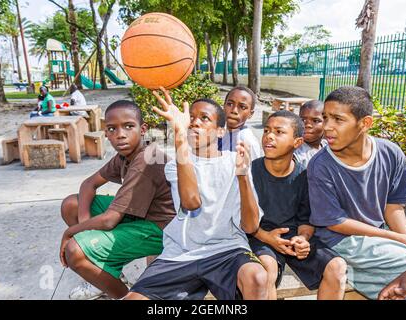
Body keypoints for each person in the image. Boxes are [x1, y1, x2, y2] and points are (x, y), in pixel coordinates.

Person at [124, 88, 268, 300]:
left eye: (204, 118)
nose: (194, 123)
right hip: (181, 253)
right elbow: (191, 202)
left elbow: (250, 226)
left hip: (227, 250)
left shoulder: (234, 162)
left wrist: (243, 176)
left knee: (257, 276)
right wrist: (180, 138)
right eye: (190, 118)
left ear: (220, 131)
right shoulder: (177, 166)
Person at [308, 86, 406, 300]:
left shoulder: (391, 153)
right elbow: (334, 222)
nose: (327, 127)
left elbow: (394, 207)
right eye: (325, 118)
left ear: (365, 123)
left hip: (382, 229)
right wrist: (396, 238)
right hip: (343, 240)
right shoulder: (321, 165)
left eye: (338, 119)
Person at [59, 100, 176, 300]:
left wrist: (71, 232)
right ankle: (105, 275)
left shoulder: (146, 160)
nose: (120, 134)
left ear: (142, 129)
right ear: (106, 133)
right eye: (112, 129)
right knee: (72, 204)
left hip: (160, 229)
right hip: (138, 215)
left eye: (128, 126)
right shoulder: (126, 154)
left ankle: (123, 296)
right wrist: (85, 226)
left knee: (75, 251)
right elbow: (88, 184)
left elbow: (109, 220)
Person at [248, 110, 347, 300]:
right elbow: (243, 221)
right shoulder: (250, 173)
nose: (269, 136)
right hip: (259, 236)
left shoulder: (305, 176)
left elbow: (306, 218)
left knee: (337, 266)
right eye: (267, 130)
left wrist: (303, 238)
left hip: (293, 239)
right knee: (267, 268)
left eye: (279, 132)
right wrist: (267, 238)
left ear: (297, 142)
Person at [219, 86, 263, 160]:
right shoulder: (221, 134)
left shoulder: (247, 142)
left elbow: (254, 170)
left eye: (242, 107)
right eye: (230, 104)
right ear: (224, 106)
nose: (234, 110)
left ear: (250, 114)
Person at [294, 100, 327, 168]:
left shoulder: (327, 146)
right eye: (303, 120)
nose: (307, 125)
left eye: (316, 121)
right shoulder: (296, 153)